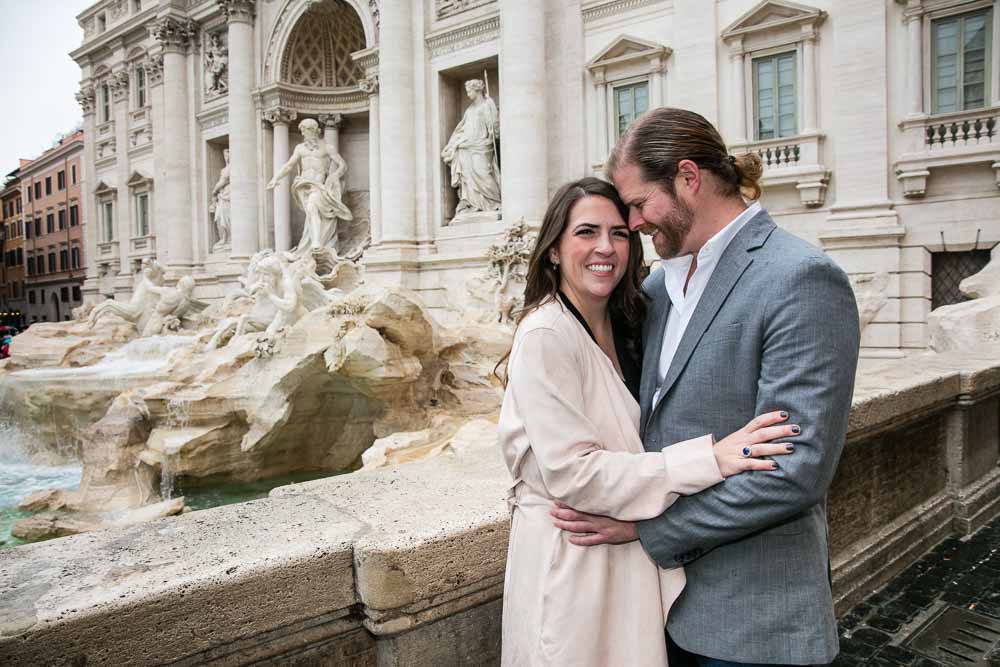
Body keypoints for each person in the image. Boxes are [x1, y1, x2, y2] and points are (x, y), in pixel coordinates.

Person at [553, 108, 860, 666]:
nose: (637, 225)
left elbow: (796, 471)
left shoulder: (800, 277)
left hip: (756, 627)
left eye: (641, 205)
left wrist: (646, 531)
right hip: (659, 614)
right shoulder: (657, 287)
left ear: (689, 178)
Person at [499, 177, 801, 666]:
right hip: (573, 560)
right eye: (586, 232)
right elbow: (574, 473)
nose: (606, 247)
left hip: (622, 560)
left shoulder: (630, 322)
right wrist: (712, 457)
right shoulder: (545, 335)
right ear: (553, 249)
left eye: (620, 233)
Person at [266, 118, 352, 258]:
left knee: (312, 206)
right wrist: (276, 178)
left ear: (314, 131)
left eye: (305, 131)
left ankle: (317, 242)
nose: (303, 134)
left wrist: (334, 175)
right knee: (311, 214)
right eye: (302, 132)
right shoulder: (300, 148)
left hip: (319, 186)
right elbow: (289, 165)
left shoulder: (327, 147)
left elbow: (342, 165)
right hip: (303, 187)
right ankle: (314, 241)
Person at [441, 79, 501, 216]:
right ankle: (471, 202)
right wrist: (454, 143)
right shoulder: (469, 110)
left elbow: (494, 127)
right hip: (467, 145)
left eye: (469, 91)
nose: (467, 94)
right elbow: (461, 129)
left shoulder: (487, 104)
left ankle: (494, 202)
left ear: (477, 90)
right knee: (467, 176)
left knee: (483, 172)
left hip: (482, 145)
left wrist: (493, 128)